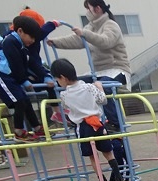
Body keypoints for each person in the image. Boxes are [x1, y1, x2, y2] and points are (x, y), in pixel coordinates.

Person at [47, 0, 130, 132]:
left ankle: (115, 123)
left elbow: (106, 41)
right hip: (97, 73)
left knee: (102, 87)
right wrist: (55, 42)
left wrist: (85, 34)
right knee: (72, 83)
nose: (87, 12)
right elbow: (76, 40)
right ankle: (69, 115)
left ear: (97, 9)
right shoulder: (90, 27)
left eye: (88, 9)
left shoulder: (111, 25)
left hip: (117, 70)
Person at [50, 58, 126, 181]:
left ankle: (101, 180)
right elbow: (103, 100)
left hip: (83, 127)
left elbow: (66, 107)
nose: (58, 83)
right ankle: (119, 177)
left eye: (58, 80)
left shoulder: (64, 94)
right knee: (108, 152)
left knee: (92, 155)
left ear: (63, 78)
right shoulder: (89, 87)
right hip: (98, 124)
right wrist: (99, 87)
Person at [0, 15, 47, 142]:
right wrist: (23, 80)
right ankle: (18, 132)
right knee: (19, 101)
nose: (33, 40)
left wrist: (45, 75)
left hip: (9, 75)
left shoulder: (20, 44)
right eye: (31, 37)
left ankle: (37, 127)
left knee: (25, 100)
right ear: (20, 31)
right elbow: (16, 63)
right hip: (1, 75)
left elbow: (29, 62)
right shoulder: (10, 42)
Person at [17, 7, 65, 124]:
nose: (34, 39)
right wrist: (53, 24)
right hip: (28, 71)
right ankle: (56, 112)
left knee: (53, 84)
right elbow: (41, 32)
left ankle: (56, 112)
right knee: (52, 83)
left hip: (29, 71)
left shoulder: (19, 37)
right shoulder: (23, 39)